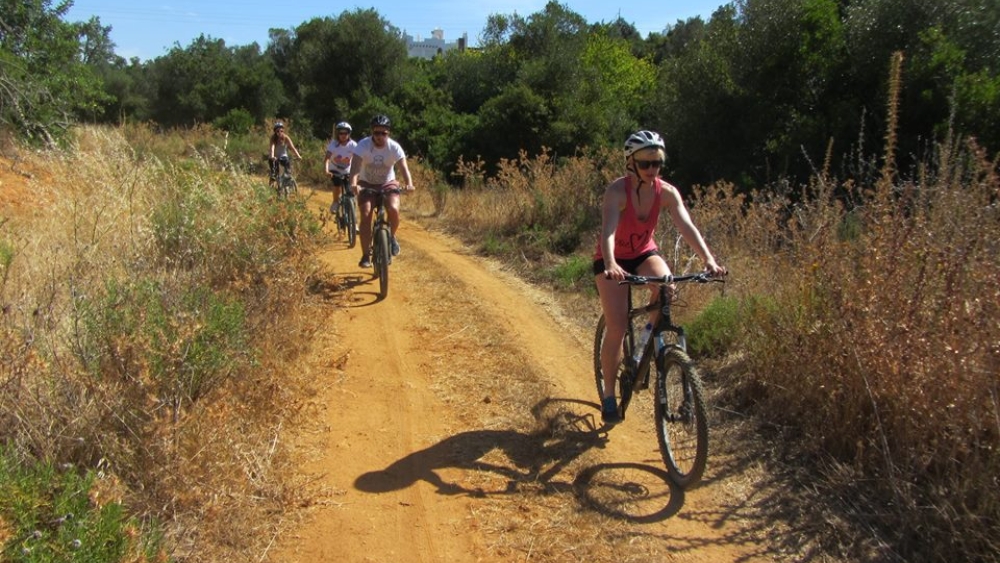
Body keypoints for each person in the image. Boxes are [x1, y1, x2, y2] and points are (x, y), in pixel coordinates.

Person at [594, 130, 726, 425]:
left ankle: (644, 345)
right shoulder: (617, 191)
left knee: (667, 288)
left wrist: (709, 260)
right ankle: (609, 394)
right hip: (611, 258)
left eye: (657, 163)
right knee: (616, 324)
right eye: (645, 164)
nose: (652, 170)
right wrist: (612, 263)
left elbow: (687, 226)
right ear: (631, 163)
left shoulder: (666, 192)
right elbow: (609, 232)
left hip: (643, 253)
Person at [349, 114, 415, 268]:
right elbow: (355, 167)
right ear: (372, 132)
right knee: (365, 215)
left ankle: (391, 237)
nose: (380, 136)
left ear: (388, 133)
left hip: (388, 183)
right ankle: (366, 254)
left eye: (383, 133)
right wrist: (353, 183)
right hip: (367, 183)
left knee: (393, 209)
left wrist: (409, 184)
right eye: (376, 133)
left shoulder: (394, 147)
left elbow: (403, 168)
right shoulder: (363, 145)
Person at [324, 121, 357, 217]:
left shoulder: (353, 145)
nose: (343, 135)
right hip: (335, 169)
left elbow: (358, 160)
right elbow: (327, 159)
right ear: (337, 134)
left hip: (347, 171)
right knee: (337, 183)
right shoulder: (333, 145)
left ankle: (353, 219)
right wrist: (326, 170)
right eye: (341, 133)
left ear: (349, 133)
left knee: (351, 192)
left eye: (345, 133)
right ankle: (335, 202)